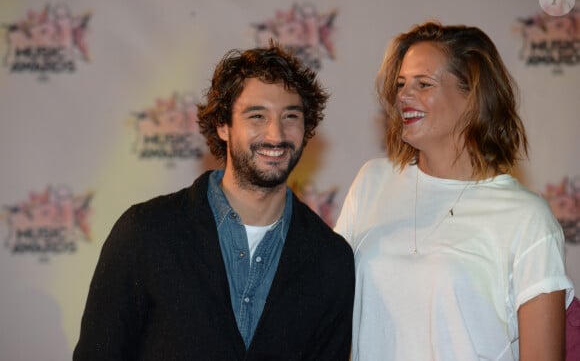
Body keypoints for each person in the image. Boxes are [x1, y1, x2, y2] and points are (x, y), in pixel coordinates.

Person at [74, 43, 355, 360]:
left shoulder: (331, 260)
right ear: (223, 125)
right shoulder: (145, 233)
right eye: (257, 116)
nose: (276, 135)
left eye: (291, 115)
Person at [334, 21, 575, 361]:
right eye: (401, 84)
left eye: (423, 83)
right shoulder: (372, 182)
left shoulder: (527, 218)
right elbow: (326, 306)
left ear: (473, 97)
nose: (403, 95)